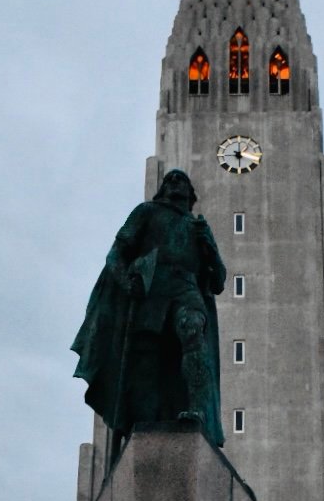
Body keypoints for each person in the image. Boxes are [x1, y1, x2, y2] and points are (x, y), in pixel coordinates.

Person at [71, 169, 227, 460]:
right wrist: (125, 280)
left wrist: (209, 247)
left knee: (192, 330)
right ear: (163, 189)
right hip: (152, 294)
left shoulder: (198, 228)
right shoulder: (146, 212)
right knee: (146, 361)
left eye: (182, 180)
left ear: (191, 194)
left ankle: (197, 411)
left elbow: (218, 281)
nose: (176, 183)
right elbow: (116, 254)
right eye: (170, 180)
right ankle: (142, 423)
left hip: (187, 291)